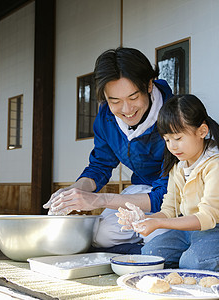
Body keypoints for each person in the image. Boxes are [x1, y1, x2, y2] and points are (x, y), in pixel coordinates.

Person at [42, 47, 173, 253]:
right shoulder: (106, 118)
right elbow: (100, 165)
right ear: (105, 98)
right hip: (140, 191)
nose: (127, 110)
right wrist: (73, 192)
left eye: (133, 97)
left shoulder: (175, 115)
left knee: (157, 241)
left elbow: (165, 195)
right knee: (100, 235)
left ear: (149, 85)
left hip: (175, 196)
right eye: (115, 101)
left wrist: (98, 199)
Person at [116, 94, 219, 274]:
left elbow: (207, 217)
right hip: (193, 229)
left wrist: (158, 223)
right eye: (167, 140)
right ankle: (190, 259)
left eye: (178, 138)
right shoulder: (179, 165)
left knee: (194, 263)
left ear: (202, 131)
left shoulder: (216, 163)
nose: (172, 146)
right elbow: (169, 210)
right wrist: (144, 219)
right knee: (150, 253)